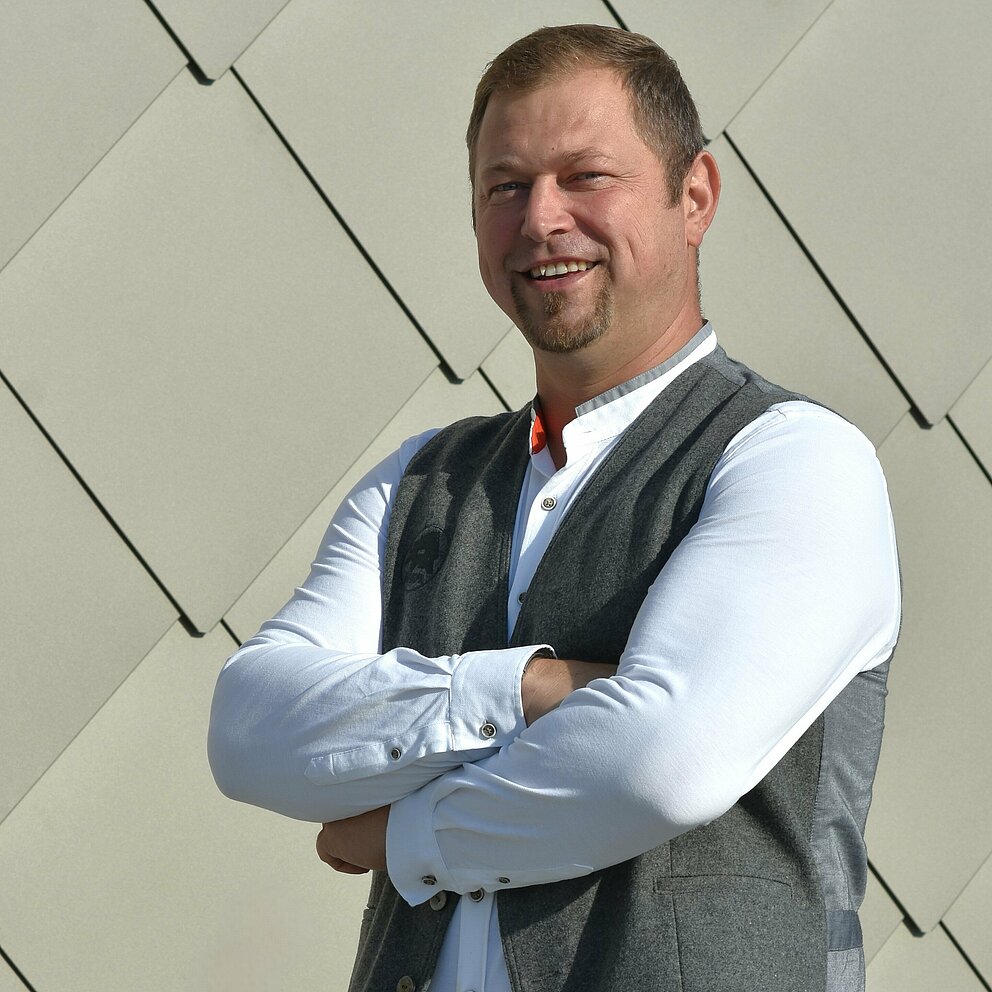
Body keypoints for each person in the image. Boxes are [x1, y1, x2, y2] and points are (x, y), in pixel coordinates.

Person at [208, 24, 900, 992]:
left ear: (694, 195)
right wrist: (529, 690)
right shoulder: (418, 483)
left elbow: (661, 762)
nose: (540, 218)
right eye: (505, 187)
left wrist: (406, 833)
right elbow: (249, 732)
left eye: (585, 177)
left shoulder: (794, 458)